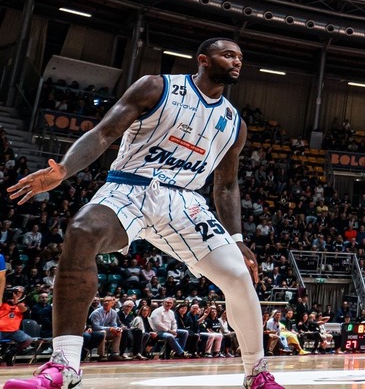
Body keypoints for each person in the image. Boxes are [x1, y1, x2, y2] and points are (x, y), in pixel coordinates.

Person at [4, 38, 283, 389]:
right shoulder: (157, 87)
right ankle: (65, 365)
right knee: (82, 229)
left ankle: (257, 374)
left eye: (241, 56)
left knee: (239, 276)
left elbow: (226, 187)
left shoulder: (233, 123)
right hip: (130, 186)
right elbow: (104, 132)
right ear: (203, 60)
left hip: (186, 201)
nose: (237, 61)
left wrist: (239, 240)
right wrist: (63, 169)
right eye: (228, 55)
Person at [0, 288, 34, 366]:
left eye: (18, 292)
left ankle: (9, 354)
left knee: (28, 340)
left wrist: (16, 302)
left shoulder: (22, 305)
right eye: (14, 292)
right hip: (0, 330)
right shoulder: (2, 303)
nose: (14, 294)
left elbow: (25, 311)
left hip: (14, 331)